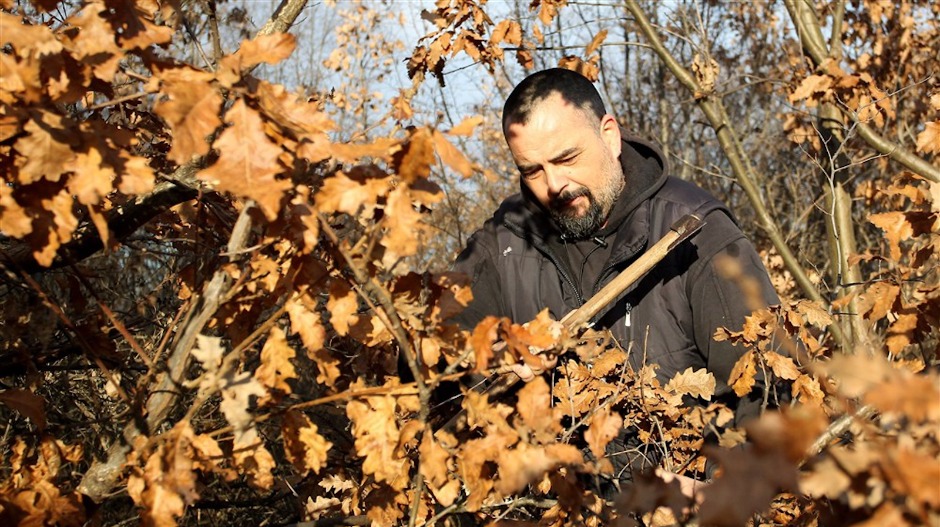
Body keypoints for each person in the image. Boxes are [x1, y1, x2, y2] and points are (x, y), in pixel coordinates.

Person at [452, 68, 781, 490]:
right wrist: (493, 359)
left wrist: (722, 497)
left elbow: (767, 398)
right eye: (532, 171)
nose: (554, 185)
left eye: (566, 159)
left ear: (609, 135)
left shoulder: (697, 233)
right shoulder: (503, 245)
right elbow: (430, 363)